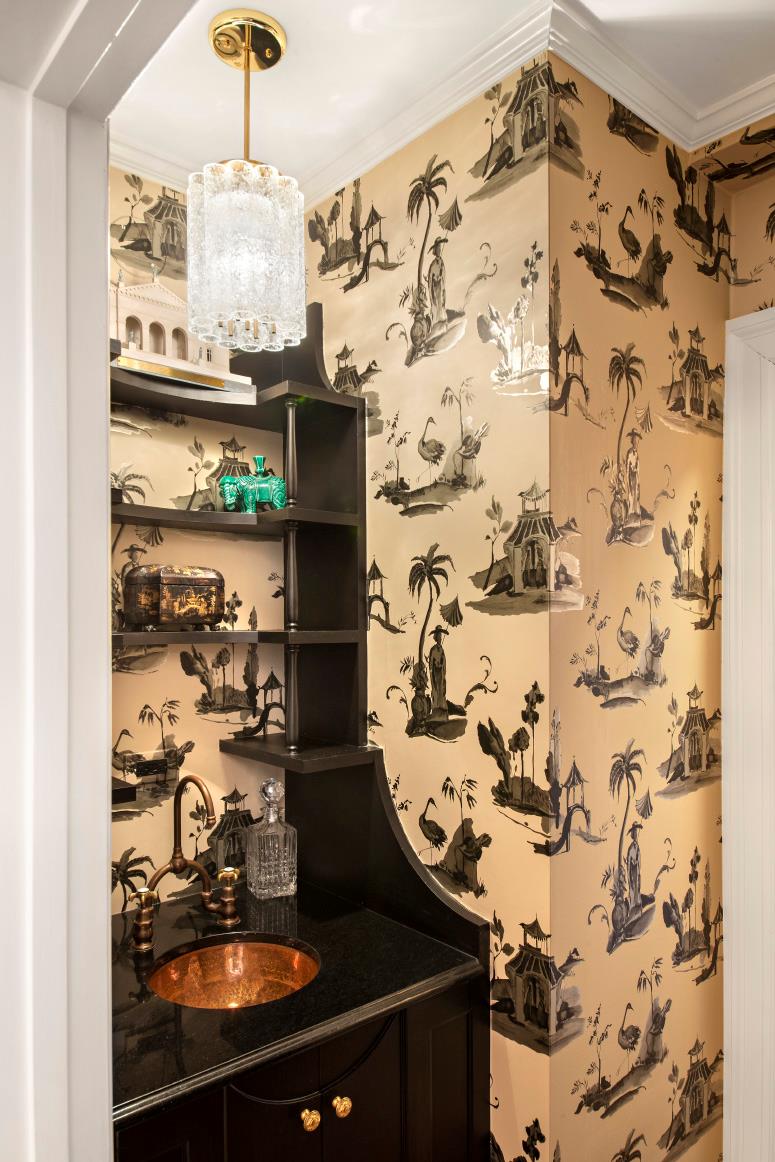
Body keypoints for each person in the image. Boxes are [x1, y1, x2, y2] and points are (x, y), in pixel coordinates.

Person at [428, 624, 449, 717]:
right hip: (436, 674)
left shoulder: (441, 649)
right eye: (438, 635)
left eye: (441, 635)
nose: (440, 637)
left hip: (441, 674)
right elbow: (431, 664)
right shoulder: (433, 649)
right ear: (436, 637)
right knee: (436, 689)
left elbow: (444, 662)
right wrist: (437, 665)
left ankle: (442, 707)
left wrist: (442, 664)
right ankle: (436, 708)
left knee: (442, 689)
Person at [427, 236, 448, 330]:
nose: (439, 249)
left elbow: (444, 277)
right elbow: (430, 281)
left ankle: (443, 327)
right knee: (436, 308)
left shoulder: (442, 263)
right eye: (437, 248)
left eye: (440, 247)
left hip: (441, 289)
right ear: (435, 250)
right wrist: (436, 280)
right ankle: (436, 326)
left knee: (442, 306)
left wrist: (441, 279)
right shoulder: (433, 265)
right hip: (435, 291)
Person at [624, 429, 642, 522]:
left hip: (636, 477)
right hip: (631, 476)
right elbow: (627, 467)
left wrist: (637, 476)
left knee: (637, 493)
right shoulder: (630, 452)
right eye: (634, 439)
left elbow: (638, 466)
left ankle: (636, 512)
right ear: (632, 441)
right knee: (631, 493)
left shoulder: (636, 453)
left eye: (637, 440)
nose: (635, 442)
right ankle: (630, 513)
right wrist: (628, 479)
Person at [626, 821, 643, 915]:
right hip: (633, 874)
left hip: (637, 873)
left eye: (637, 831)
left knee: (637, 889)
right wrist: (635, 862)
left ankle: (637, 909)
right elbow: (631, 862)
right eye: (635, 831)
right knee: (633, 889)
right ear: (633, 833)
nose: (636, 833)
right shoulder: (632, 847)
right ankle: (633, 910)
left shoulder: (637, 846)